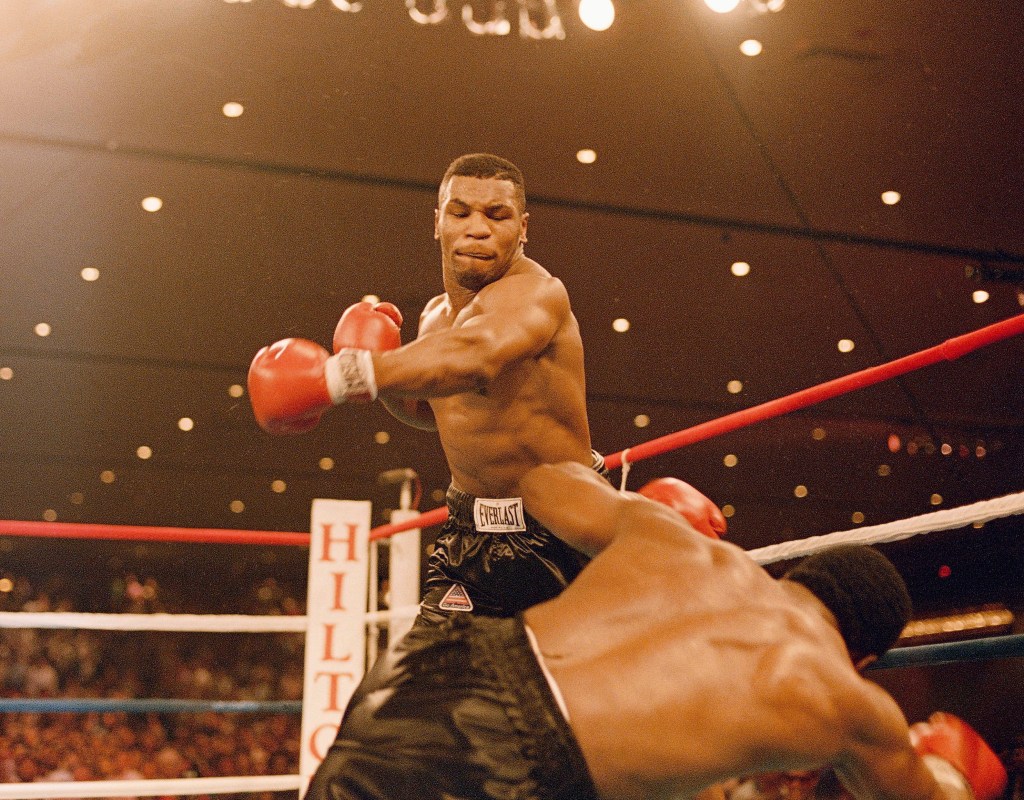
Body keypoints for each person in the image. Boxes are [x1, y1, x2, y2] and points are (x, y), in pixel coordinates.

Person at [303, 461, 1007, 800]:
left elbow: (536, 481)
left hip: (436, 664)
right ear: (865, 655)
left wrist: (629, 497)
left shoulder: (670, 536)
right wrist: (948, 763)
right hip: (513, 762)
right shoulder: (842, 700)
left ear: (799, 575)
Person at [250, 153, 718, 622]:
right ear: (438, 222)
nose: (478, 228)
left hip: (560, 529)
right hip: (467, 540)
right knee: (410, 692)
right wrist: (383, 382)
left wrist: (342, 374)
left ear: (523, 228)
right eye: (461, 213)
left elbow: (479, 356)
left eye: (497, 215)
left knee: (586, 690)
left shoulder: (537, 293)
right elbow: (433, 407)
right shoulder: (435, 317)